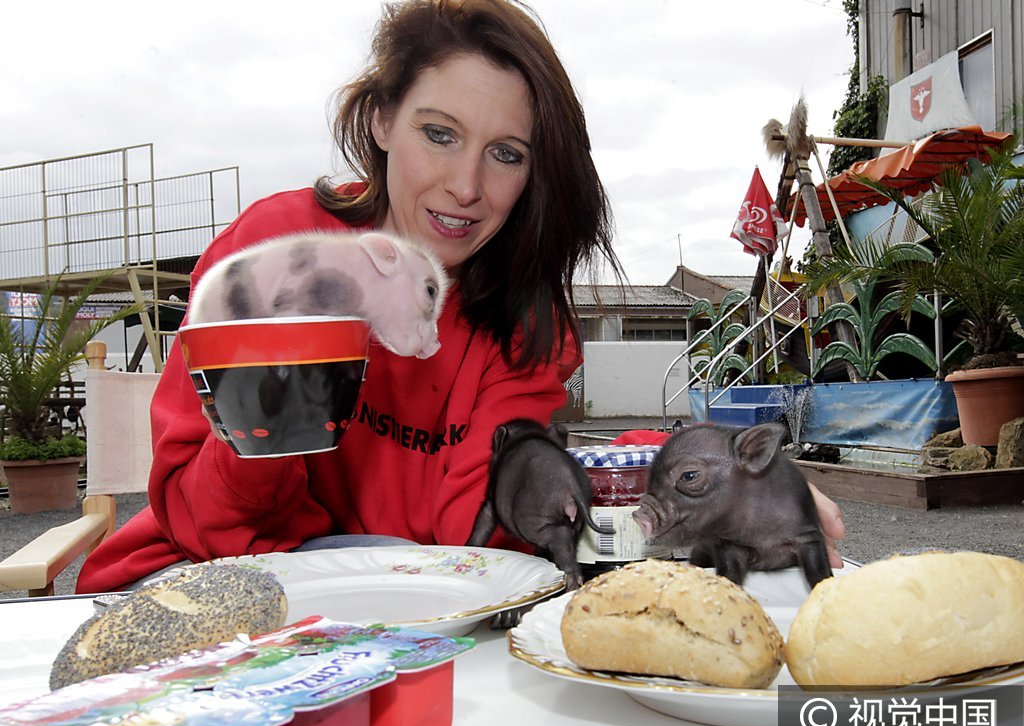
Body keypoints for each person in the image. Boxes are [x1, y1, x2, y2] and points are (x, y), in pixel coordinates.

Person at [76, 0, 844, 594]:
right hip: (200, 587)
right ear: (381, 121)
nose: (466, 187)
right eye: (438, 133)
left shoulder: (523, 321)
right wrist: (273, 412)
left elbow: (478, 532)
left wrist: (714, 485)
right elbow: (199, 516)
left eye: (505, 154)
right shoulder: (280, 250)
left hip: (400, 611)